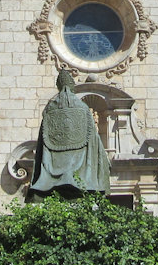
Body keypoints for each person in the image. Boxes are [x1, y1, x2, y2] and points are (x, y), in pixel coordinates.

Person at [27, 69, 110, 200]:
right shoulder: (83, 108)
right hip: (81, 174)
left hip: (51, 174)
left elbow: (42, 144)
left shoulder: (49, 109)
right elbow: (93, 141)